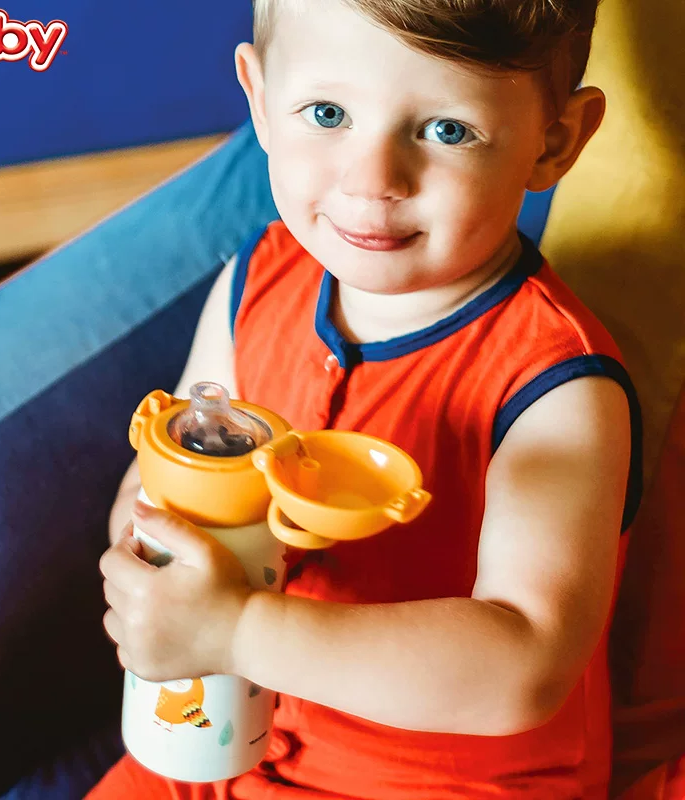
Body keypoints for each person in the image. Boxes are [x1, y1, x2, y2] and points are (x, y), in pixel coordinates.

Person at [89, 0, 642, 796]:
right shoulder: (256, 278)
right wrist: (152, 571)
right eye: (327, 114)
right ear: (261, 101)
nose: (373, 181)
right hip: (218, 728)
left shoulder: (558, 385)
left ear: (553, 141)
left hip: (438, 786)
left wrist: (237, 630)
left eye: (447, 130)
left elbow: (524, 665)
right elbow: (159, 478)